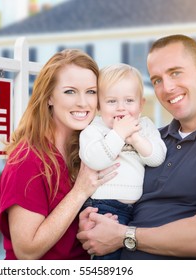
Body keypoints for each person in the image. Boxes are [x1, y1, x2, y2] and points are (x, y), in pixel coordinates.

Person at [77, 34, 196, 259]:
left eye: (176, 72)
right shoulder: (152, 139)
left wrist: (123, 235)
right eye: (157, 80)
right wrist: (93, 222)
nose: (167, 87)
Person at [0, 49, 118, 260]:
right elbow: (26, 250)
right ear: (49, 96)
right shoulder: (27, 160)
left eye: (91, 91)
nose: (83, 103)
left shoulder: (89, 151)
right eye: (70, 91)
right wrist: (79, 192)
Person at [79, 63, 166, 260]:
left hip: (138, 209)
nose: (121, 107)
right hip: (104, 207)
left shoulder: (144, 126)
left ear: (141, 104)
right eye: (111, 101)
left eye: (129, 100)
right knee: (109, 259)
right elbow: (94, 159)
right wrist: (118, 134)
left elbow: (157, 157)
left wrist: (135, 139)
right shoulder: (95, 129)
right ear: (99, 105)